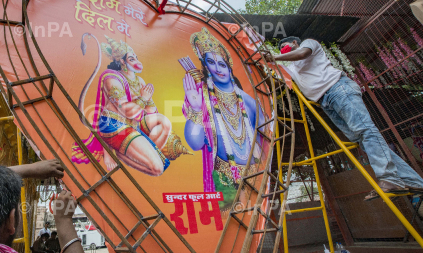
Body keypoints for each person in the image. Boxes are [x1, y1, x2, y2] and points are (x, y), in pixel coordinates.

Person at [267, 37, 423, 200]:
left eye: (284, 46)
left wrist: (275, 57)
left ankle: (390, 179)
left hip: (338, 89)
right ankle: (414, 182)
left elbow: (302, 54)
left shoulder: (308, 44)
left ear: (294, 43)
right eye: (279, 49)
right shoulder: (291, 67)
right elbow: (279, 79)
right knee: (362, 140)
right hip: (325, 103)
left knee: (365, 131)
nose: (282, 49)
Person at [71, 34, 189, 176]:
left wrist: (146, 99)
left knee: (164, 122)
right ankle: (119, 152)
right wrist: (143, 98)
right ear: (122, 61)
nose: (136, 62)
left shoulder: (139, 81)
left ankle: (139, 150)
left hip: (133, 124)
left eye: (136, 58)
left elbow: (151, 110)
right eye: (131, 59)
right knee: (158, 169)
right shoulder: (112, 78)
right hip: (114, 124)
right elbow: (127, 111)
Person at [181, 27, 267, 210]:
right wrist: (196, 109)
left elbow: (266, 138)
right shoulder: (201, 96)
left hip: (256, 173)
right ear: (206, 66)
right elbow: (195, 144)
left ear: (229, 66)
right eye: (211, 62)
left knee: (258, 216)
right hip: (224, 176)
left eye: (222, 64)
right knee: (232, 223)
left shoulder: (249, 102)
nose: (218, 68)